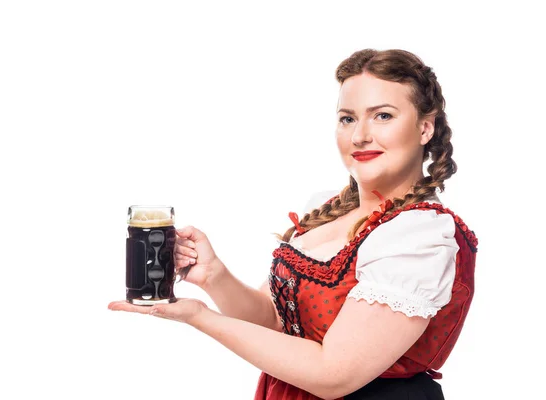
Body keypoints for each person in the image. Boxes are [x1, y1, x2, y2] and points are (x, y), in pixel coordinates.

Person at [108, 48, 478, 399]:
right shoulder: (327, 209)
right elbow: (271, 322)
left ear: (425, 128)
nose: (359, 135)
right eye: (348, 118)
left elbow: (333, 375)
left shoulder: (419, 236)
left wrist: (199, 317)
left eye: (383, 116)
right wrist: (213, 276)